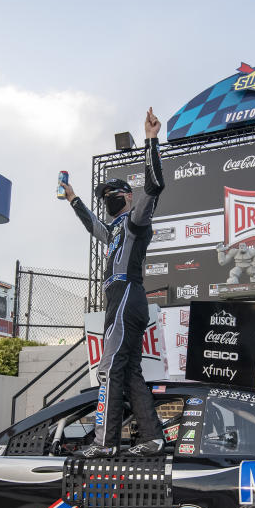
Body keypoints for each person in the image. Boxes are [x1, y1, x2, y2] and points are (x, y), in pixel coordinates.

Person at [61, 108, 165, 458]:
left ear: (128, 197)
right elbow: (93, 226)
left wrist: (151, 141)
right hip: (123, 300)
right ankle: (153, 437)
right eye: (105, 196)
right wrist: (74, 198)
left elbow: (155, 185)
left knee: (108, 369)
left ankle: (104, 443)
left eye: (112, 194)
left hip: (125, 296)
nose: (107, 199)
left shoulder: (135, 221)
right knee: (130, 371)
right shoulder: (114, 230)